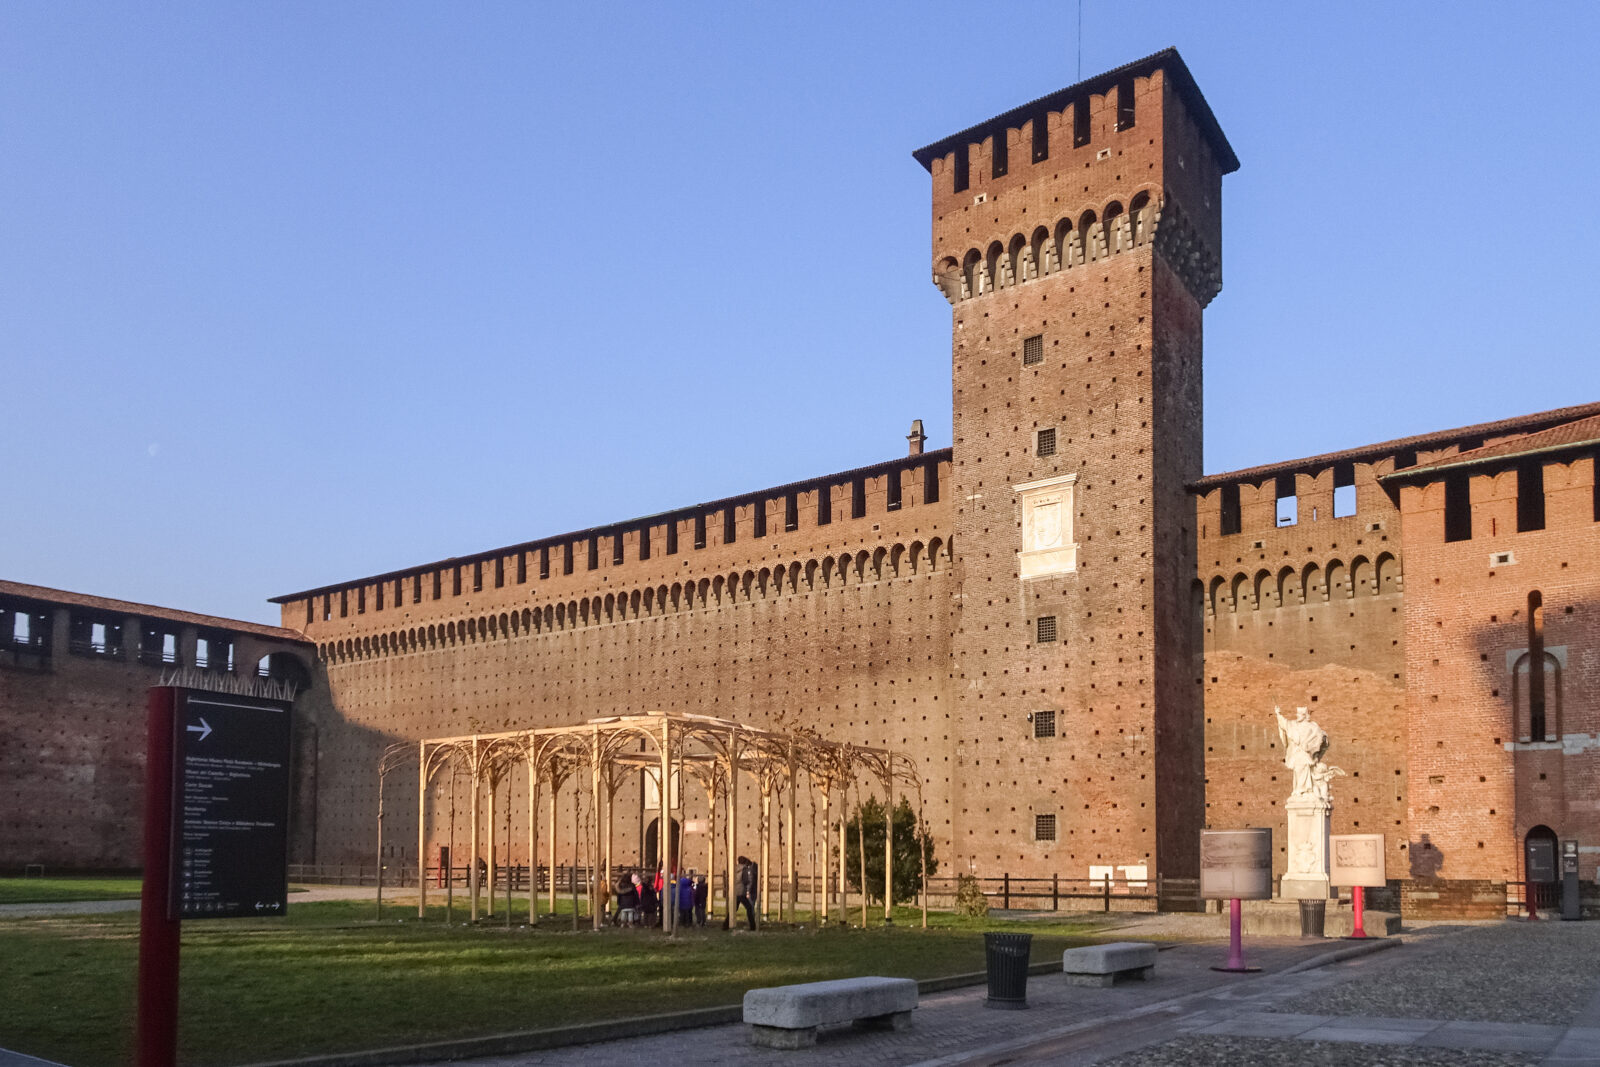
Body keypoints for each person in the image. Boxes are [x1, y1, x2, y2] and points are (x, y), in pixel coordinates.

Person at [735, 854, 759, 930]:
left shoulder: (747, 870)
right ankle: (752, 925)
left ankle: (752, 925)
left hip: (745, 892)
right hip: (747, 891)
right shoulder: (749, 869)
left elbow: (749, 881)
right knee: (750, 907)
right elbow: (749, 881)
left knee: (749, 907)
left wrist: (748, 891)